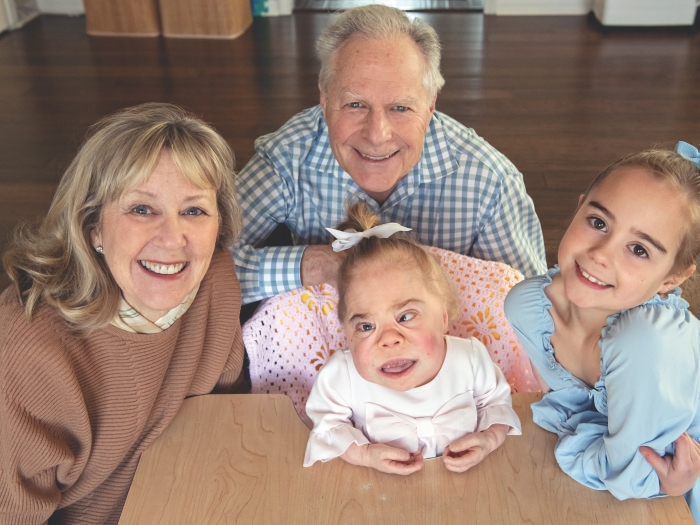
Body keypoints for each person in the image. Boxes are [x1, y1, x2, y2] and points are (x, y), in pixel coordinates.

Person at [0, 103, 245, 524]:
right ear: (93, 226)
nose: (173, 239)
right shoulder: (25, 352)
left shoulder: (215, 280)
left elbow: (227, 420)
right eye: (142, 209)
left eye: (194, 210)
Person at [231, 5, 546, 306]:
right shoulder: (287, 156)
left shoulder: (491, 184)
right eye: (356, 104)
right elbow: (198, 267)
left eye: (400, 108)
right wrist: (317, 264)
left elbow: (531, 311)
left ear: (430, 105)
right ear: (325, 99)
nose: (377, 134)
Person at [504, 143, 700, 520]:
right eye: (598, 223)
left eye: (639, 249)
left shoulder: (647, 343)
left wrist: (601, 456)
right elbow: (568, 422)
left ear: (673, 277)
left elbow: (633, 473)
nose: (601, 254)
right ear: (579, 207)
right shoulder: (527, 307)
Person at [303, 202, 521, 474]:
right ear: (346, 333)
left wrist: (489, 439)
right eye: (366, 326)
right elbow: (327, 426)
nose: (389, 339)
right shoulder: (342, 376)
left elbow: (497, 405)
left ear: (443, 317)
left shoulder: (470, 359)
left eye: (405, 317)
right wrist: (365, 454)